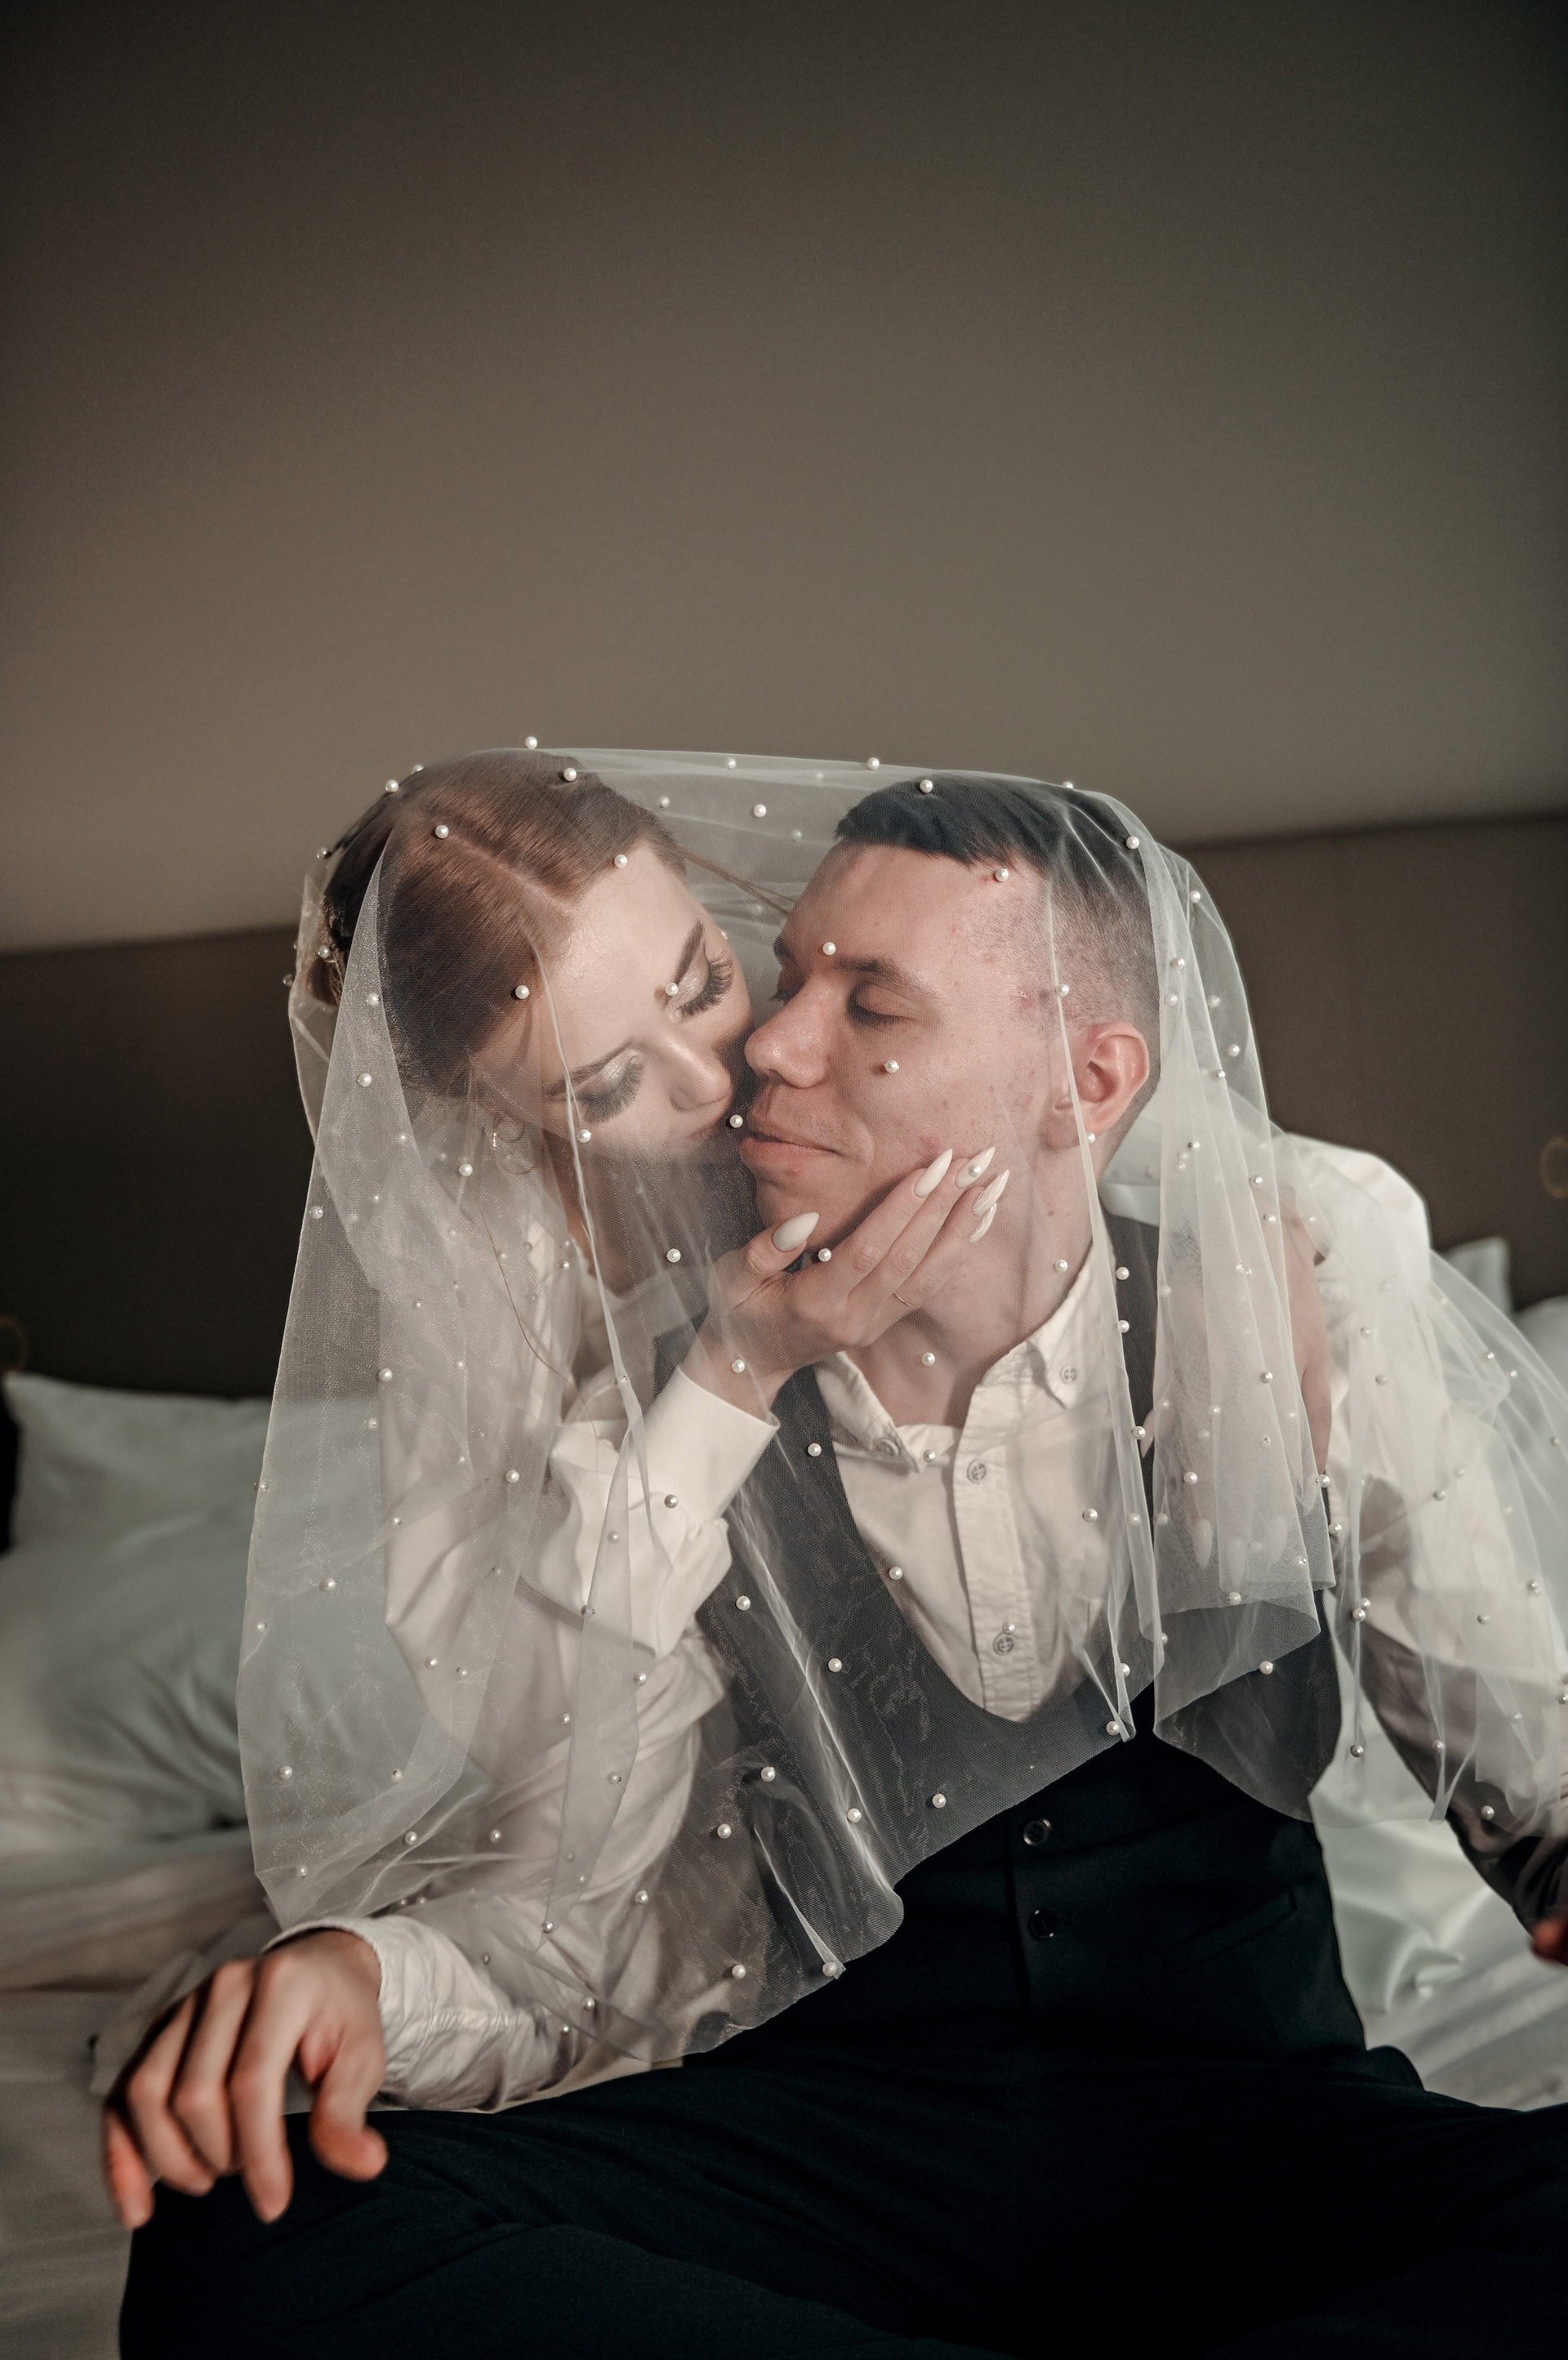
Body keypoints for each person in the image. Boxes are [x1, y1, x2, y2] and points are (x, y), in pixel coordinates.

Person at [112, 756, 1568, 2359]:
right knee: (246, 2236)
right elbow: (590, 1917)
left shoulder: (1275, 1285)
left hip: (1247, 2134)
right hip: (829, 2144)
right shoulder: (641, 1416)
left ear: (1087, 1082)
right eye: (789, 978)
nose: (758, 1054)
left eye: (849, 1000)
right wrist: (361, 1974)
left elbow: (1534, 1782)